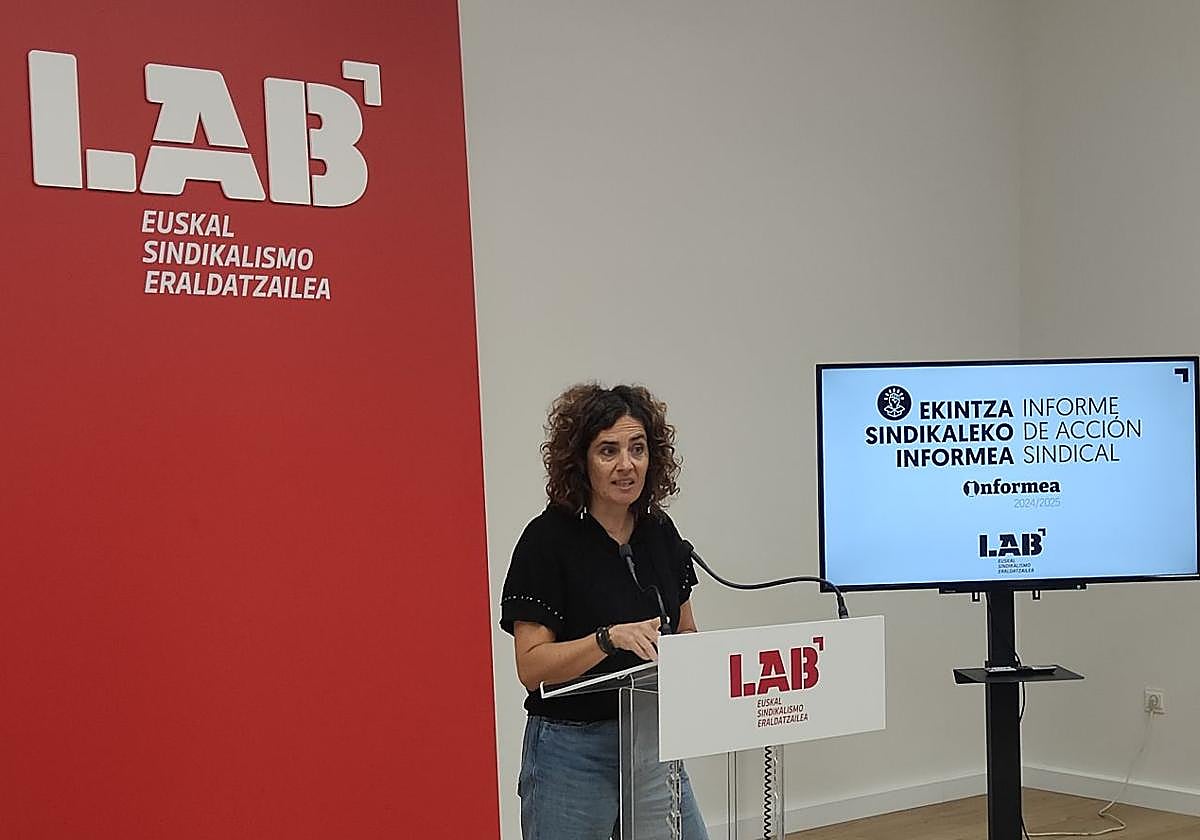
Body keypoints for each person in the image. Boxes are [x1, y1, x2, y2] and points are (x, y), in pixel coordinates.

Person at [499, 383, 709, 840]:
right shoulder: (547, 540)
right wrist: (606, 639)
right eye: (608, 451)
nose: (625, 464)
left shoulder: (659, 532)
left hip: (651, 738)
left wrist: (700, 660)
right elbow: (531, 667)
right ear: (582, 461)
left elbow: (686, 629)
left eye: (637, 449)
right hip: (571, 750)